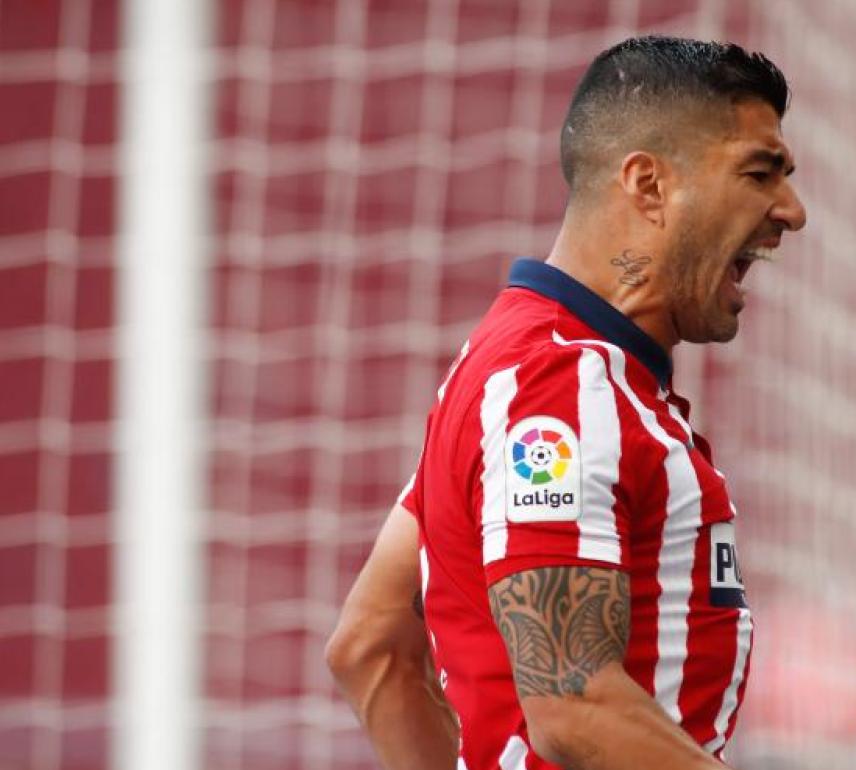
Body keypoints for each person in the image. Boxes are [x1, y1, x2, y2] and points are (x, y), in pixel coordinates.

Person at [326, 35, 806, 770]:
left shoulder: (514, 368)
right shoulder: (560, 389)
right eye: (758, 173)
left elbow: (373, 645)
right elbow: (574, 707)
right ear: (647, 185)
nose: (790, 210)